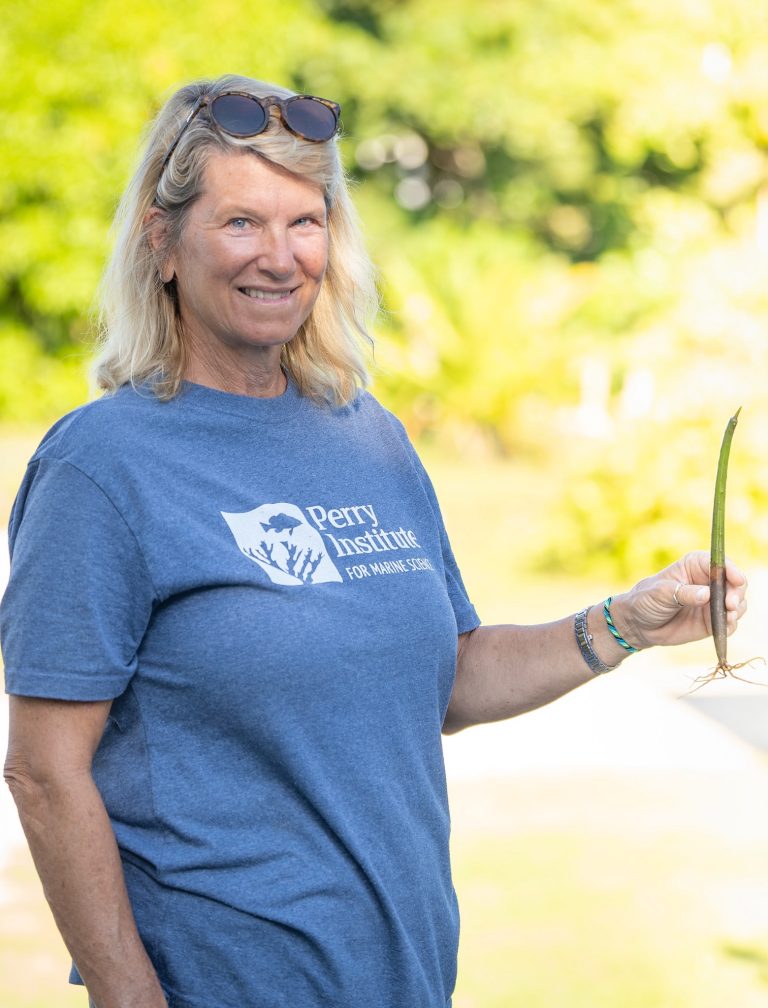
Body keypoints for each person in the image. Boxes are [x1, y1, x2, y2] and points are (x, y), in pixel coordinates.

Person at [1, 74, 747, 1008]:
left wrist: (625, 623)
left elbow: (451, 675)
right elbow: (42, 769)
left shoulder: (364, 434)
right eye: (241, 223)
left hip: (403, 977)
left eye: (305, 221)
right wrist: (127, 997)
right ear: (162, 241)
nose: (280, 257)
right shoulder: (103, 466)